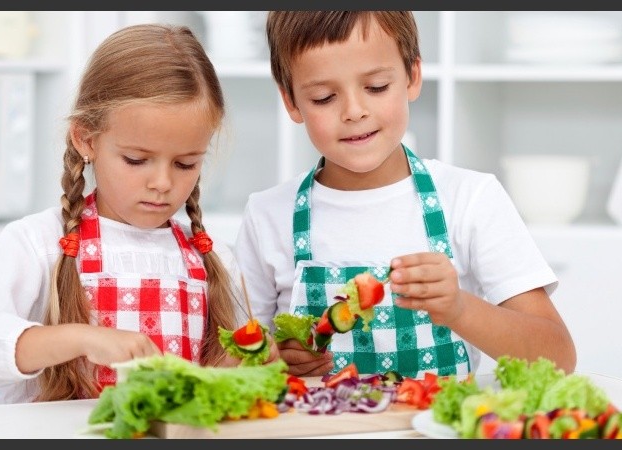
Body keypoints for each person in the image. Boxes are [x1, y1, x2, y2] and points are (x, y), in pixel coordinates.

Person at [0, 23, 277, 405]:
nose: (162, 182)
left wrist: (253, 363)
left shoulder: (213, 258)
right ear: (86, 140)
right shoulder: (38, 244)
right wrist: (78, 338)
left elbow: (241, 368)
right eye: (136, 159)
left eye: (185, 164)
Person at [235, 11, 576, 378]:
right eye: (324, 97)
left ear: (413, 76)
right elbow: (238, 356)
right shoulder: (268, 215)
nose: (354, 111)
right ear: (290, 101)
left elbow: (558, 358)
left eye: (376, 87)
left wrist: (460, 309)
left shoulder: (469, 199)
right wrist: (278, 361)